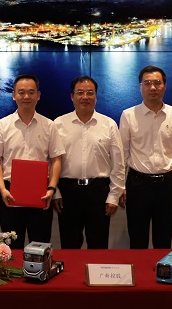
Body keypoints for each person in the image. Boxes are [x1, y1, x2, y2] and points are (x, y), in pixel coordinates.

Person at [0, 74, 63, 247]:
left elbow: (57, 159)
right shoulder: (2, 125)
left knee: (40, 246)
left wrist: (51, 188)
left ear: (38, 95)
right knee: (11, 248)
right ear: (14, 95)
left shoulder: (49, 125)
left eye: (31, 92)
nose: (26, 96)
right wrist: (1, 189)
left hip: (41, 194)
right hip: (10, 194)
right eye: (21, 92)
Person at [119, 66, 172, 249]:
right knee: (137, 240)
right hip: (137, 185)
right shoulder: (128, 115)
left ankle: (162, 269)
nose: (152, 87)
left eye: (157, 83)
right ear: (140, 87)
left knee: (164, 240)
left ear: (165, 86)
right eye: (147, 83)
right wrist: (121, 186)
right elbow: (122, 155)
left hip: (167, 186)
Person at [53, 76, 125, 249]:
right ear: (72, 96)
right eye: (80, 93)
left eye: (90, 93)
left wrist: (114, 196)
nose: (85, 97)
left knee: (98, 246)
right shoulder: (58, 124)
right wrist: (55, 192)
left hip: (99, 191)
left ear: (96, 97)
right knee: (69, 246)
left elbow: (118, 164)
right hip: (68, 192)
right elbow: (51, 162)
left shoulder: (108, 124)